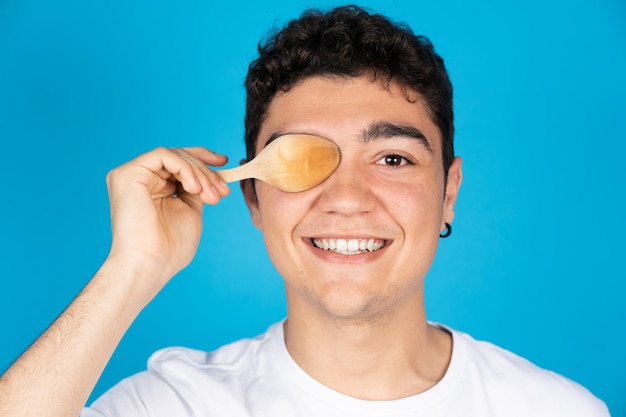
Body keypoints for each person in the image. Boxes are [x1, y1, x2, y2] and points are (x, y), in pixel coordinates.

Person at [0, 5, 610, 417]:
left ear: (448, 190)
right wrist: (131, 269)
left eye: (393, 159)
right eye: (303, 161)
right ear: (254, 198)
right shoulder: (176, 405)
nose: (346, 198)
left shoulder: (554, 409)